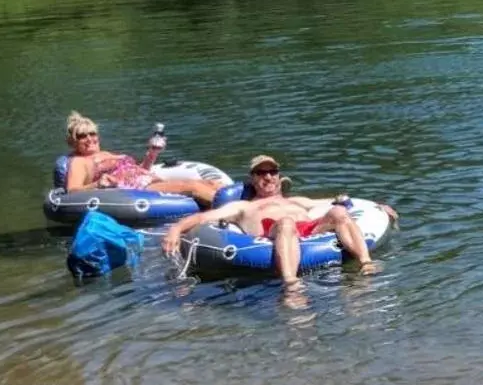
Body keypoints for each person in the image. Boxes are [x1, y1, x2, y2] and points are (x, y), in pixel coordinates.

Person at [161, 155, 394, 287]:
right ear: (253, 179)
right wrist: (176, 229)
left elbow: (341, 202)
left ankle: (365, 263)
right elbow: (203, 217)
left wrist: (376, 206)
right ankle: (292, 284)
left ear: (279, 177)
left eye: (272, 172)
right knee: (285, 223)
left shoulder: (298, 201)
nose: (268, 177)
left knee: (339, 214)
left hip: (308, 230)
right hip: (274, 232)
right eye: (261, 174)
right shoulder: (243, 207)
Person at [59, 111, 221, 207]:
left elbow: (140, 170)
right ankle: (233, 212)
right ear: (73, 142)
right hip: (137, 191)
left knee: (211, 183)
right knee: (192, 187)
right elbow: (72, 191)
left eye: (92, 133)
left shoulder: (107, 154)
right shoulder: (79, 161)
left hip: (148, 180)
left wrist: (152, 153)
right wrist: (97, 184)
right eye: (82, 136)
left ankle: (238, 205)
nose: (89, 138)